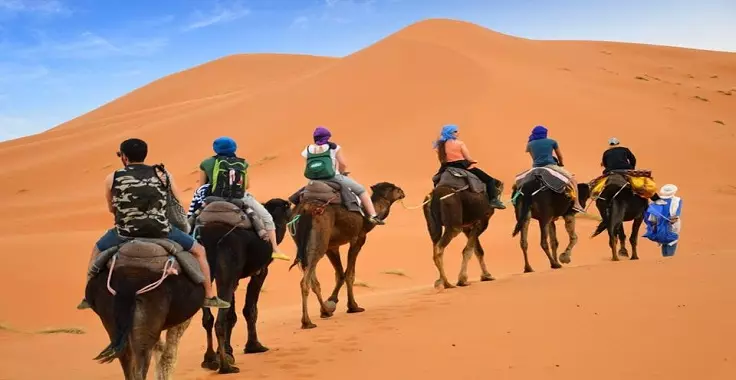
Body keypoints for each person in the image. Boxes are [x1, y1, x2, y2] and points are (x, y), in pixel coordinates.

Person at [78, 138, 231, 310]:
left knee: (96, 250)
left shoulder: (112, 178)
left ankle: (87, 297)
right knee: (199, 251)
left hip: (125, 232)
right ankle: (209, 296)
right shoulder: (163, 174)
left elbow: (112, 208)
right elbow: (177, 202)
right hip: (161, 230)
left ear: (124, 157)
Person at [198, 137, 290, 261]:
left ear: (215, 148)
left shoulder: (206, 163)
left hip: (213, 198)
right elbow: (246, 185)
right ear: (234, 148)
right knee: (267, 218)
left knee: (191, 220)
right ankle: (275, 249)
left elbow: (201, 186)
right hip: (239, 198)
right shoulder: (242, 163)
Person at [301, 126, 385, 225]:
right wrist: (341, 173)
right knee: (361, 190)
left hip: (313, 180)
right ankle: (373, 216)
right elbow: (343, 164)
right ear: (327, 137)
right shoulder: (334, 147)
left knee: (300, 195)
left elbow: (309, 167)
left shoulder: (307, 150)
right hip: (333, 177)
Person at [432, 124, 506, 209]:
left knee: (436, 181)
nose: (458, 133)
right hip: (462, 167)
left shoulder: (439, 146)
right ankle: (493, 200)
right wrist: (472, 161)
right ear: (449, 133)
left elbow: (442, 159)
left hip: (446, 168)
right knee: (490, 180)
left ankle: (434, 200)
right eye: (455, 131)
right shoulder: (459, 144)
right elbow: (467, 157)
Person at [525, 125, 584, 212]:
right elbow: (560, 156)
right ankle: (577, 204)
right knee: (572, 181)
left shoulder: (529, 144)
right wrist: (561, 163)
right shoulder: (552, 142)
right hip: (550, 165)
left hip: (536, 168)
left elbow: (533, 157)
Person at [643, 184, 682, 257]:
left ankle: (665, 258)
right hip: (672, 225)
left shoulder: (655, 202)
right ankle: (669, 260)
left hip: (659, 226)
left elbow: (652, 218)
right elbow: (676, 215)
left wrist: (654, 227)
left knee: (664, 241)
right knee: (672, 240)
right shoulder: (677, 200)